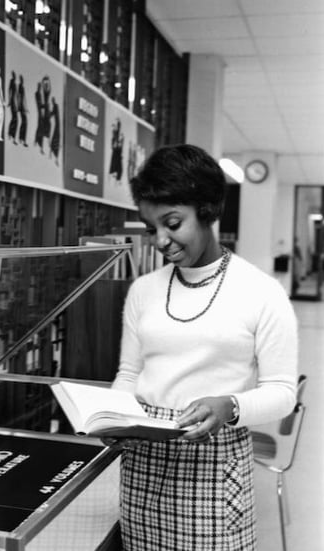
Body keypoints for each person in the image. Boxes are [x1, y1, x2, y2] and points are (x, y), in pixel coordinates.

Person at [106, 144, 298, 550]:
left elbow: (283, 393)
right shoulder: (144, 290)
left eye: (173, 223)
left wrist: (230, 406)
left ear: (208, 210)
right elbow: (129, 373)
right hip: (144, 461)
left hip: (214, 464)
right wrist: (113, 416)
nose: (161, 240)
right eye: (151, 227)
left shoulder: (262, 293)